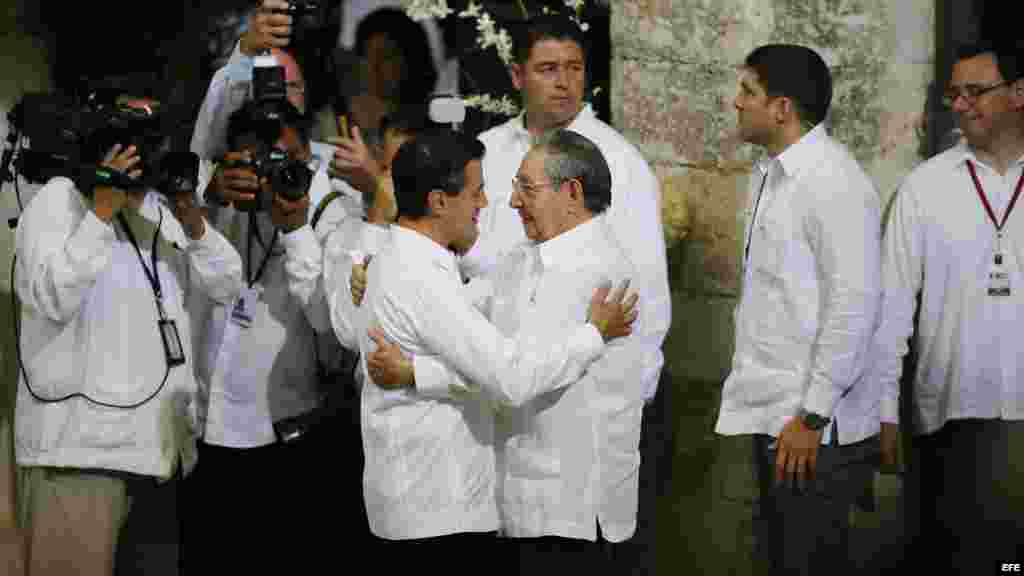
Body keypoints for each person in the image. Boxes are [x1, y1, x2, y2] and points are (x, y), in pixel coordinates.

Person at [350, 129, 637, 569]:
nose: (510, 201)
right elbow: (478, 341)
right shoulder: (521, 259)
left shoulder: (599, 272)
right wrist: (381, 285)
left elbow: (513, 374)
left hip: (568, 511)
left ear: (572, 193)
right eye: (512, 186)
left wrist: (416, 372)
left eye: (527, 188)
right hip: (498, 502)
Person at [466, 15, 671, 571]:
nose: (563, 82)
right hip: (503, 420)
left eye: (575, 68)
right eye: (548, 69)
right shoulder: (486, 151)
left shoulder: (618, 162)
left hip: (578, 424)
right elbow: (476, 267)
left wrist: (625, 407)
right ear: (517, 75)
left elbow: (645, 294)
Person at [13, 100, 243, 575]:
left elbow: (226, 285)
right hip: (82, 457)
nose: (141, 154)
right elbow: (50, 295)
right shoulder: (59, 199)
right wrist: (101, 212)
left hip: (159, 451)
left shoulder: (158, 208)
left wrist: (191, 219)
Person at [713, 44, 882, 575]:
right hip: (777, 415)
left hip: (812, 426)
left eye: (748, 91)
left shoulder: (833, 181)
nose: (736, 102)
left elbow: (854, 307)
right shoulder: (771, 173)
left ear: (782, 108)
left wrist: (812, 415)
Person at [871, 39, 1024, 568]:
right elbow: (891, 310)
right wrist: (884, 411)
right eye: (953, 94)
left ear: (1019, 93)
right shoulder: (924, 188)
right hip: (949, 418)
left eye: (975, 91)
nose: (960, 104)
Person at [184, 97, 342, 572]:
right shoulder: (210, 198)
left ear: (307, 157)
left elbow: (328, 320)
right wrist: (209, 199)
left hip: (286, 426)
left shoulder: (325, 207)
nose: (271, 173)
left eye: (286, 160)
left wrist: (296, 229)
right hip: (205, 426)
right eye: (256, 161)